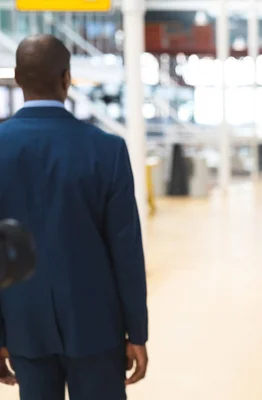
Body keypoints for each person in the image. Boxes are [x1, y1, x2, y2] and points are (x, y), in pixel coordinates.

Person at [0, 35, 148, 400]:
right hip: (96, 326)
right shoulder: (107, 150)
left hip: (22, 325)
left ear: (17, 78)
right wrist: (137, 333)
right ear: (67, 78)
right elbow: (126, 251)